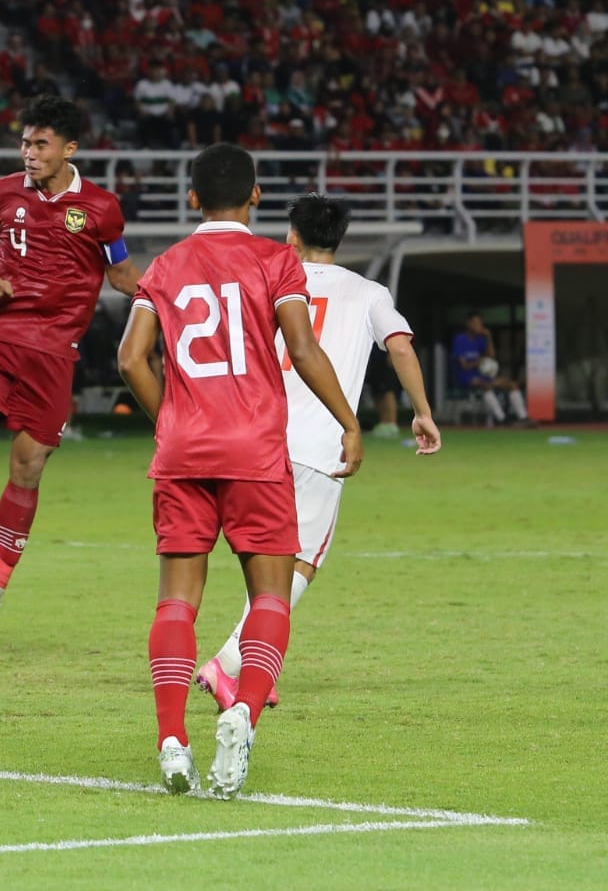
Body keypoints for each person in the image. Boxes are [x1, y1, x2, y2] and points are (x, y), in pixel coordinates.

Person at [117, 144, 363, 800]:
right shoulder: (276, 261)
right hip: (255, 450)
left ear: (192, 198)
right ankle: (244, 714)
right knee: (272, 596)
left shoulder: (165, 267)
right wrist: (348, 421)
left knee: (177, 600)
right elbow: (303, 349)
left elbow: (130, 358)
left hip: (184, 452)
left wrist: (171, 418)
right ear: (256, 196)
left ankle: (172, 738)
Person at [195, 194, 442, 712]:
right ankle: (229, 661)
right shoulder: (368, 292)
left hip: (253, 436)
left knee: (265, 556)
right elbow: (400, 346)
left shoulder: (266, 279)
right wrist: (421, 411)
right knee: (302, 561)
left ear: (292, 238)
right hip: (316, 444)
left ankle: (260, 661)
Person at [0, 94, 141, 647]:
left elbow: (121, 274)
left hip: (54, 350)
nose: (29, 152)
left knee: (27, 467)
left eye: (41, 144)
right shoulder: (2, 193)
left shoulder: (100, 208)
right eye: (25, 142)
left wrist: (171, 296)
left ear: (69, 149)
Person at [451, 312, 529, 424]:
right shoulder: (460, 339)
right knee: (486, 386)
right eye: (475, 323)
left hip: (483, 375)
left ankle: (523, 418)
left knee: (512, 385)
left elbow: (492, 357)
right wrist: (479, 362)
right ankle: (502, 419)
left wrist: (488, 337)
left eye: (480, 323)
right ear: (469, 323)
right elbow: (464, 366)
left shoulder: (480, 339)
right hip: (466, 377)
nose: (478, 326)